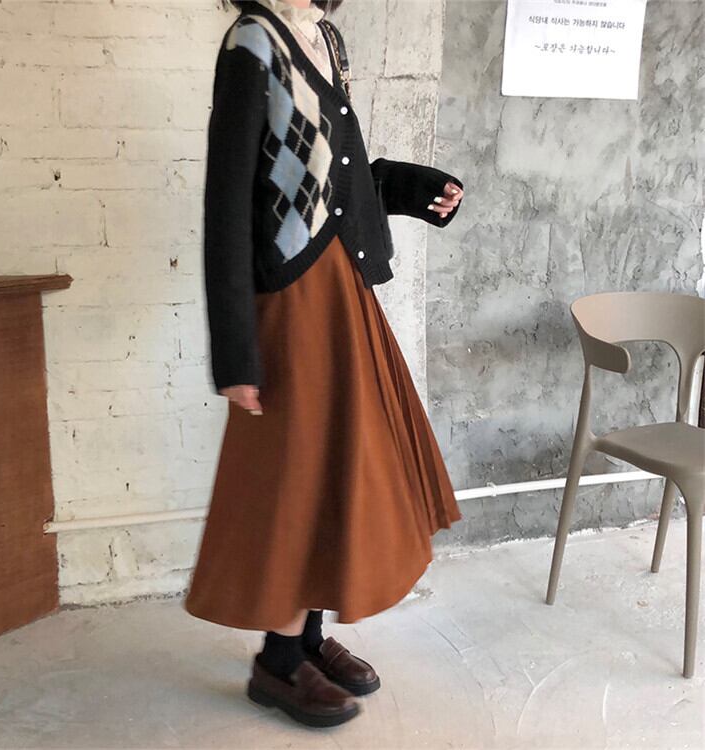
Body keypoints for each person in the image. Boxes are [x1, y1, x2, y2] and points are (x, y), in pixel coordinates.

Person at [184, 0, 465, 727]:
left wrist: (410, 189)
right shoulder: (252, 42)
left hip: (340, 286)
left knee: (332, 464)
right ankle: (278, 664)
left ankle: (306, 641)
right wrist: (236, 353)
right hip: (290, 298)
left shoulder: (325, 39)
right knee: (298, 471)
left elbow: (337, 176)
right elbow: (226, 206)